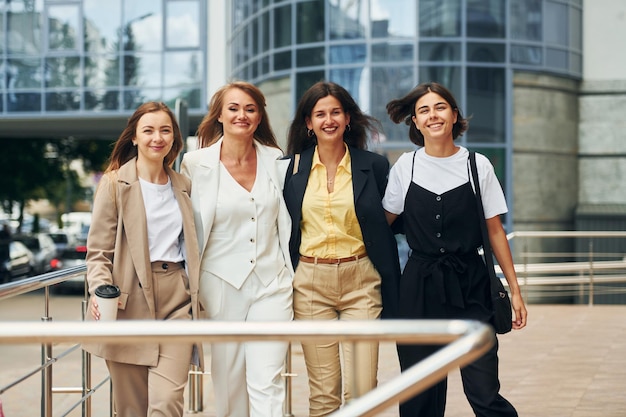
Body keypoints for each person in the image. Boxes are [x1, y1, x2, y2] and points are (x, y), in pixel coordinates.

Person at [382, 81, 528, 417]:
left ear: (454, 114)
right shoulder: (406, 166)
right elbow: (383, 223)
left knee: (484, 391)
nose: (432, 115)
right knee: (419, 392)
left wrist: (515, 291)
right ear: (415, 123)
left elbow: (495, 231)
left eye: (439, 107)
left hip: (472, 285)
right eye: (424, 110)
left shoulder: (478, 165)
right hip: (418, 287)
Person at [283, 81, 401, 416]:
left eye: (335, 112)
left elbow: (389, 218)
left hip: (361, 280)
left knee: (363, 391)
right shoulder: (290, 168)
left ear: (347, 118)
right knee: (323, 395)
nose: (328, 119)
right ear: (308, 123)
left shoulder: (373, 166)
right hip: (309, 283)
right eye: (320, 114)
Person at [180, 81, 294, 417]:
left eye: (250, 108)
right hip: (221, 285)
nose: (241, 115)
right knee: (228, 381)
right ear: (219, 116)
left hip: (272, 283)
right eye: (233, 108)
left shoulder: (275, 159)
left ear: (259, 117)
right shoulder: (195, 164)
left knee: (267, 379)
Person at [83, 101, 203, 417]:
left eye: (165, 130)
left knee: (166, 403)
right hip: (126, 303)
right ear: (134, 137)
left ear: (174, 138)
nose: (157, 138)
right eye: (148, 130)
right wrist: (100, 290)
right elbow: (98, 252)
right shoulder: (113, 184)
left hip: (177, 301)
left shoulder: (183, 185)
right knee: (131, 408)